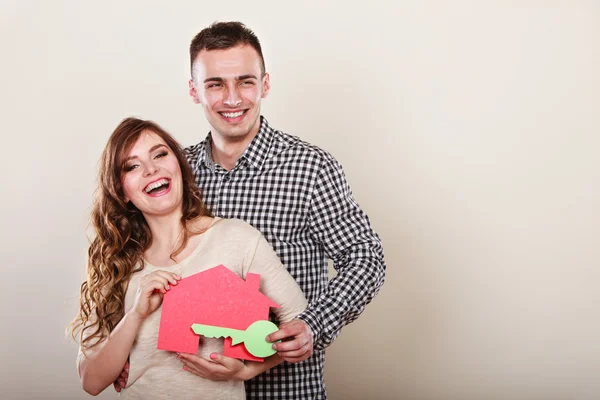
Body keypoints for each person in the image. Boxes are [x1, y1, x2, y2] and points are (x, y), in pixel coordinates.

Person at [115, 21, 386, 399]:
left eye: (245, 81)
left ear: (265, 84)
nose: (232, 98)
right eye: (215, 84)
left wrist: (312, 325)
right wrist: (127, 348)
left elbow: (365, 257)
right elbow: (136, 263)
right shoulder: (175, 173)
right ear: (194, 91)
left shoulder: (310, 168)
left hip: (286, 388)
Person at [68, 117, 308, 399]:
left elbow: (300, 328)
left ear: (179, 166)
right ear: (122, 191)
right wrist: (135, 314)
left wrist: (246, 371)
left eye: (160, 154)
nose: (151, 168)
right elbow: (91, 381)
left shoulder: (237, 238)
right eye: (132, 166)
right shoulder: (116, 262)